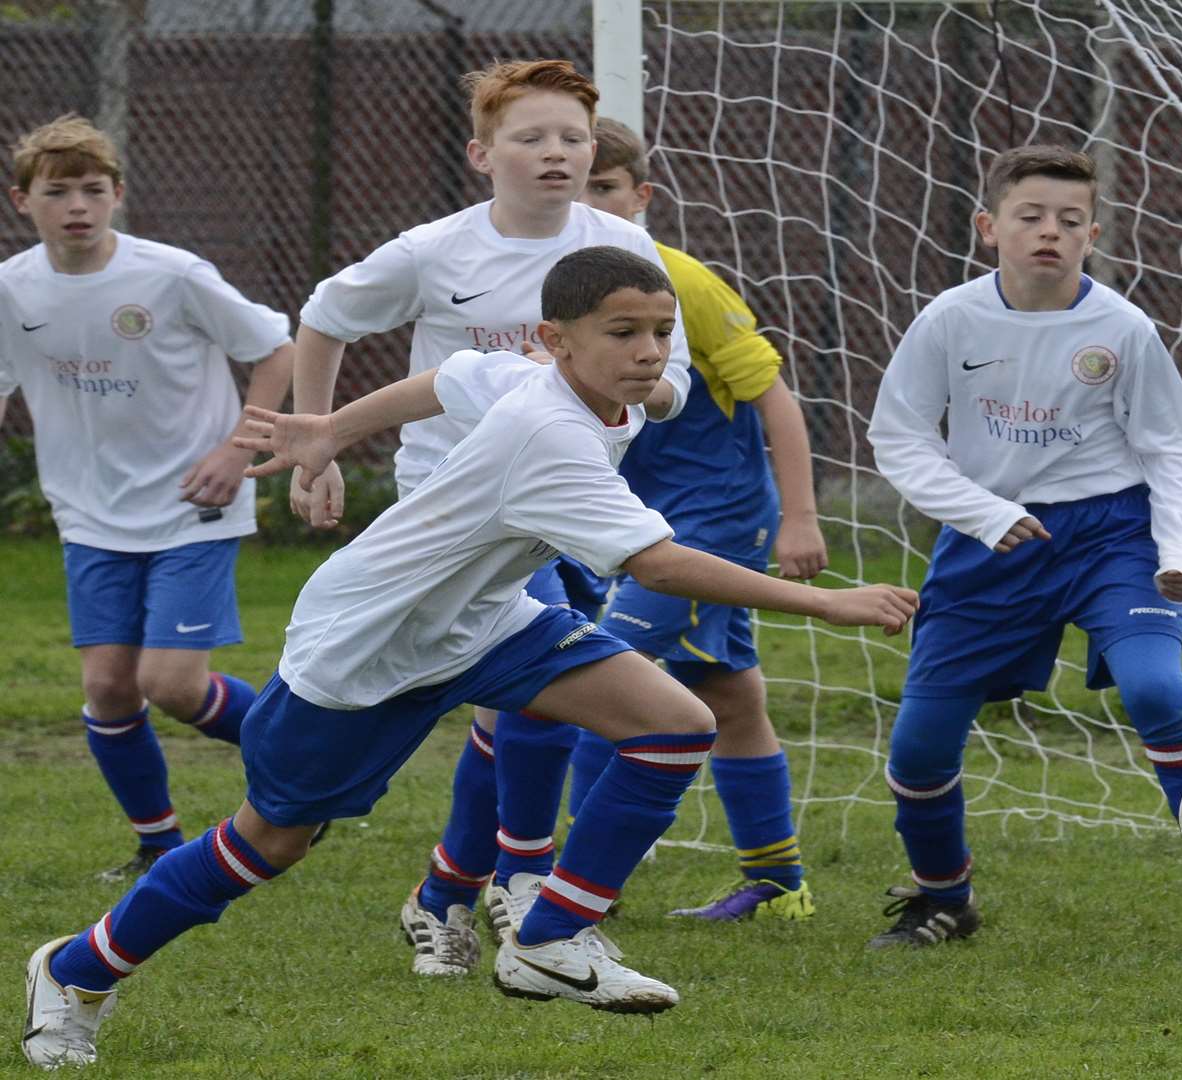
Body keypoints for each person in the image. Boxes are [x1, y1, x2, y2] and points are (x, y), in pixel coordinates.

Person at [21, 246, 919, 1069]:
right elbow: (657, 560)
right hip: (367, 647)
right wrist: (824, 601)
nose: (650, 352)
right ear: (556, 340)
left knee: (678, 725)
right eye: (624, 333)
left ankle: (552, 938)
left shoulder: (559, 382)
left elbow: (449, 377)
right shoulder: (553, 432)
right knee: (269, 843)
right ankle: (72, 971)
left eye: (659, 332)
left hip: (489, 621)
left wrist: (331, 429)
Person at [289, 58, 696, 975]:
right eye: (531, 137)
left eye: (573, 139)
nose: (556, 154)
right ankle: (525, 879)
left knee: (514, 704)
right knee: (540, 676)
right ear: (482, 154)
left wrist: (653, 392)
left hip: (568, 503)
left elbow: (677, 373)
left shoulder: (618, 243)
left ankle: (444, 891)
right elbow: (325, 316)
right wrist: (319, 440)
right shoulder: (437, 250)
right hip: (458, 505)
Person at [865, 145, 1182, 948]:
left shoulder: (1123, 328)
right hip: (989, 541)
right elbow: (901, 437)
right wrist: (982, 512)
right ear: (990, 228)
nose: (1048, 232)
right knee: (918, 746)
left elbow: (1170, 450)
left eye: (1068, 220)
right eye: (1029, 217)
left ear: (1093, 234)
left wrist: (1180, 554)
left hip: (1110, 539)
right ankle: (943, 900)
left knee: (1158, 694)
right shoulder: (949, 319)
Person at [495, 116, 830, 927]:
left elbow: (773, 398)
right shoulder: (554, 290)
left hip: (712, 517)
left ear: (637, 197)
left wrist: (800, 517)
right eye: (579, 185)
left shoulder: (680, 279)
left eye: (604, 186)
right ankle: (778, 881)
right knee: (730, 694)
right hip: (637, 518)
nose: (586, 197)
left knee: (591, 671)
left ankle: (571, 878)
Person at [0, 114, 293, 879]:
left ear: (118, 195)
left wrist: (238, 447)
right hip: (89, 512)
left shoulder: (171, 274)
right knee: (106, 687)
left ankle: (307, 775)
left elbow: (274, 347)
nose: (76, 206)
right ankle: (158, 843)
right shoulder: (12, 288)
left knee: (171, 684)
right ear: (21, 200)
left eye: (93, 190)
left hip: (194, 502)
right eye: (56, 191)